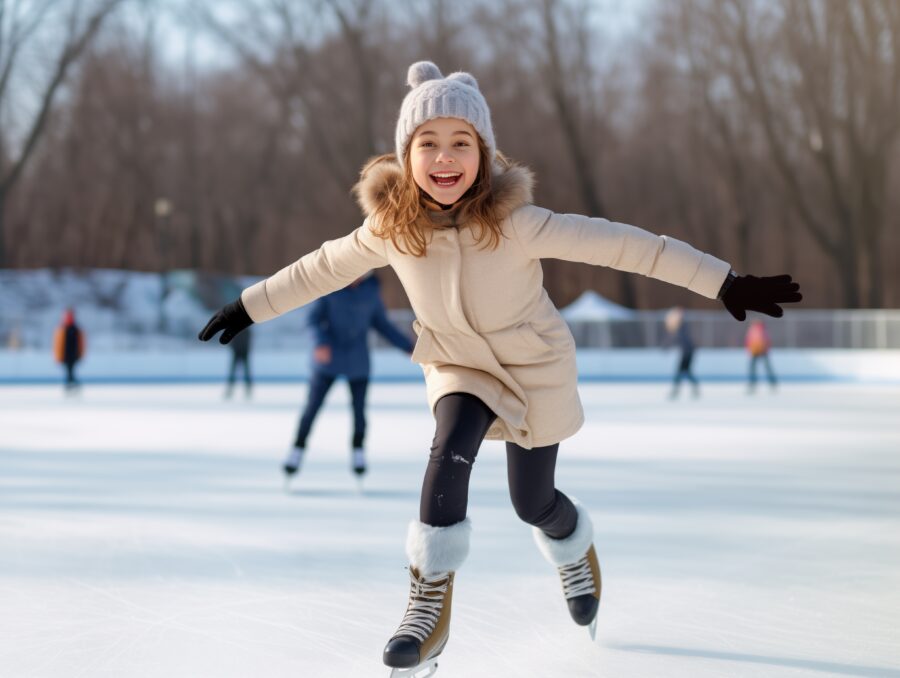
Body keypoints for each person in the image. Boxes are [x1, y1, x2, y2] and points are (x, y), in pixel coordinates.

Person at [199, 62, 802, 676]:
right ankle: (426, 606)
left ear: (483, 154)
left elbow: (629, 245)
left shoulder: (518, 223)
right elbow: (320, 267)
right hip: (459, 364)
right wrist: (251, 305)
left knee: (531, 501)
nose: (444, 157)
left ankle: (573, 547)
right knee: (450, 442)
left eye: (461, 142)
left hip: (533, 366)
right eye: (427, 143)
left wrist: (724, 282)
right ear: (405, 154)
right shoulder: (392, 229)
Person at [282, 272, 414, 480]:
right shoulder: (329, 287)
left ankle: (358, 451)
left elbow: (382, 324)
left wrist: (408, 346)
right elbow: (312, 320)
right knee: (312, 408)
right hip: (328, 361)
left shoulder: (371, 291)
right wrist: (320, 343)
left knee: (359, 411)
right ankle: (297, 450)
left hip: (357, 362)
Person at [664, 306, 699, 399]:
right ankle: (694, 389)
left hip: (687, 352)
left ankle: (676, 391)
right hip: (688, 351)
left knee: (682, 372)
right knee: (686, 372)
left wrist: (667, 346)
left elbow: (679, 339)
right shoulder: (682, 326)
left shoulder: (682, 327)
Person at [54, 308, 85, 393]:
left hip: (74, 355)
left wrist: (80, 354)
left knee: (70, 371)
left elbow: (81, 343)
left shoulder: (76, 329)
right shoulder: (62, 329)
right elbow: (58, 344)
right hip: (65, 355)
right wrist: (58, 355)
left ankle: (70, 385)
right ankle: (71, 385)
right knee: (69, 371)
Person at [745, 319, 778, 392]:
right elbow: (749, 340)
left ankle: (771, 383)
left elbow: (748, 340)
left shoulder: (758, 330)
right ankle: (753, 383)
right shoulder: (758, 330)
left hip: (761, 350)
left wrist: (749, 349)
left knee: (761, 368)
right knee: (755, 368)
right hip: (757, 350)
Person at [224, 325, 253, 399]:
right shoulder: (242, 330)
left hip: (243, 352)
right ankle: (230, 390)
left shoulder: (244, 330)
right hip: (238, 352)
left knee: (245, 372)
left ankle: (248, 390)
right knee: (234, 372)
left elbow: (248, 342)